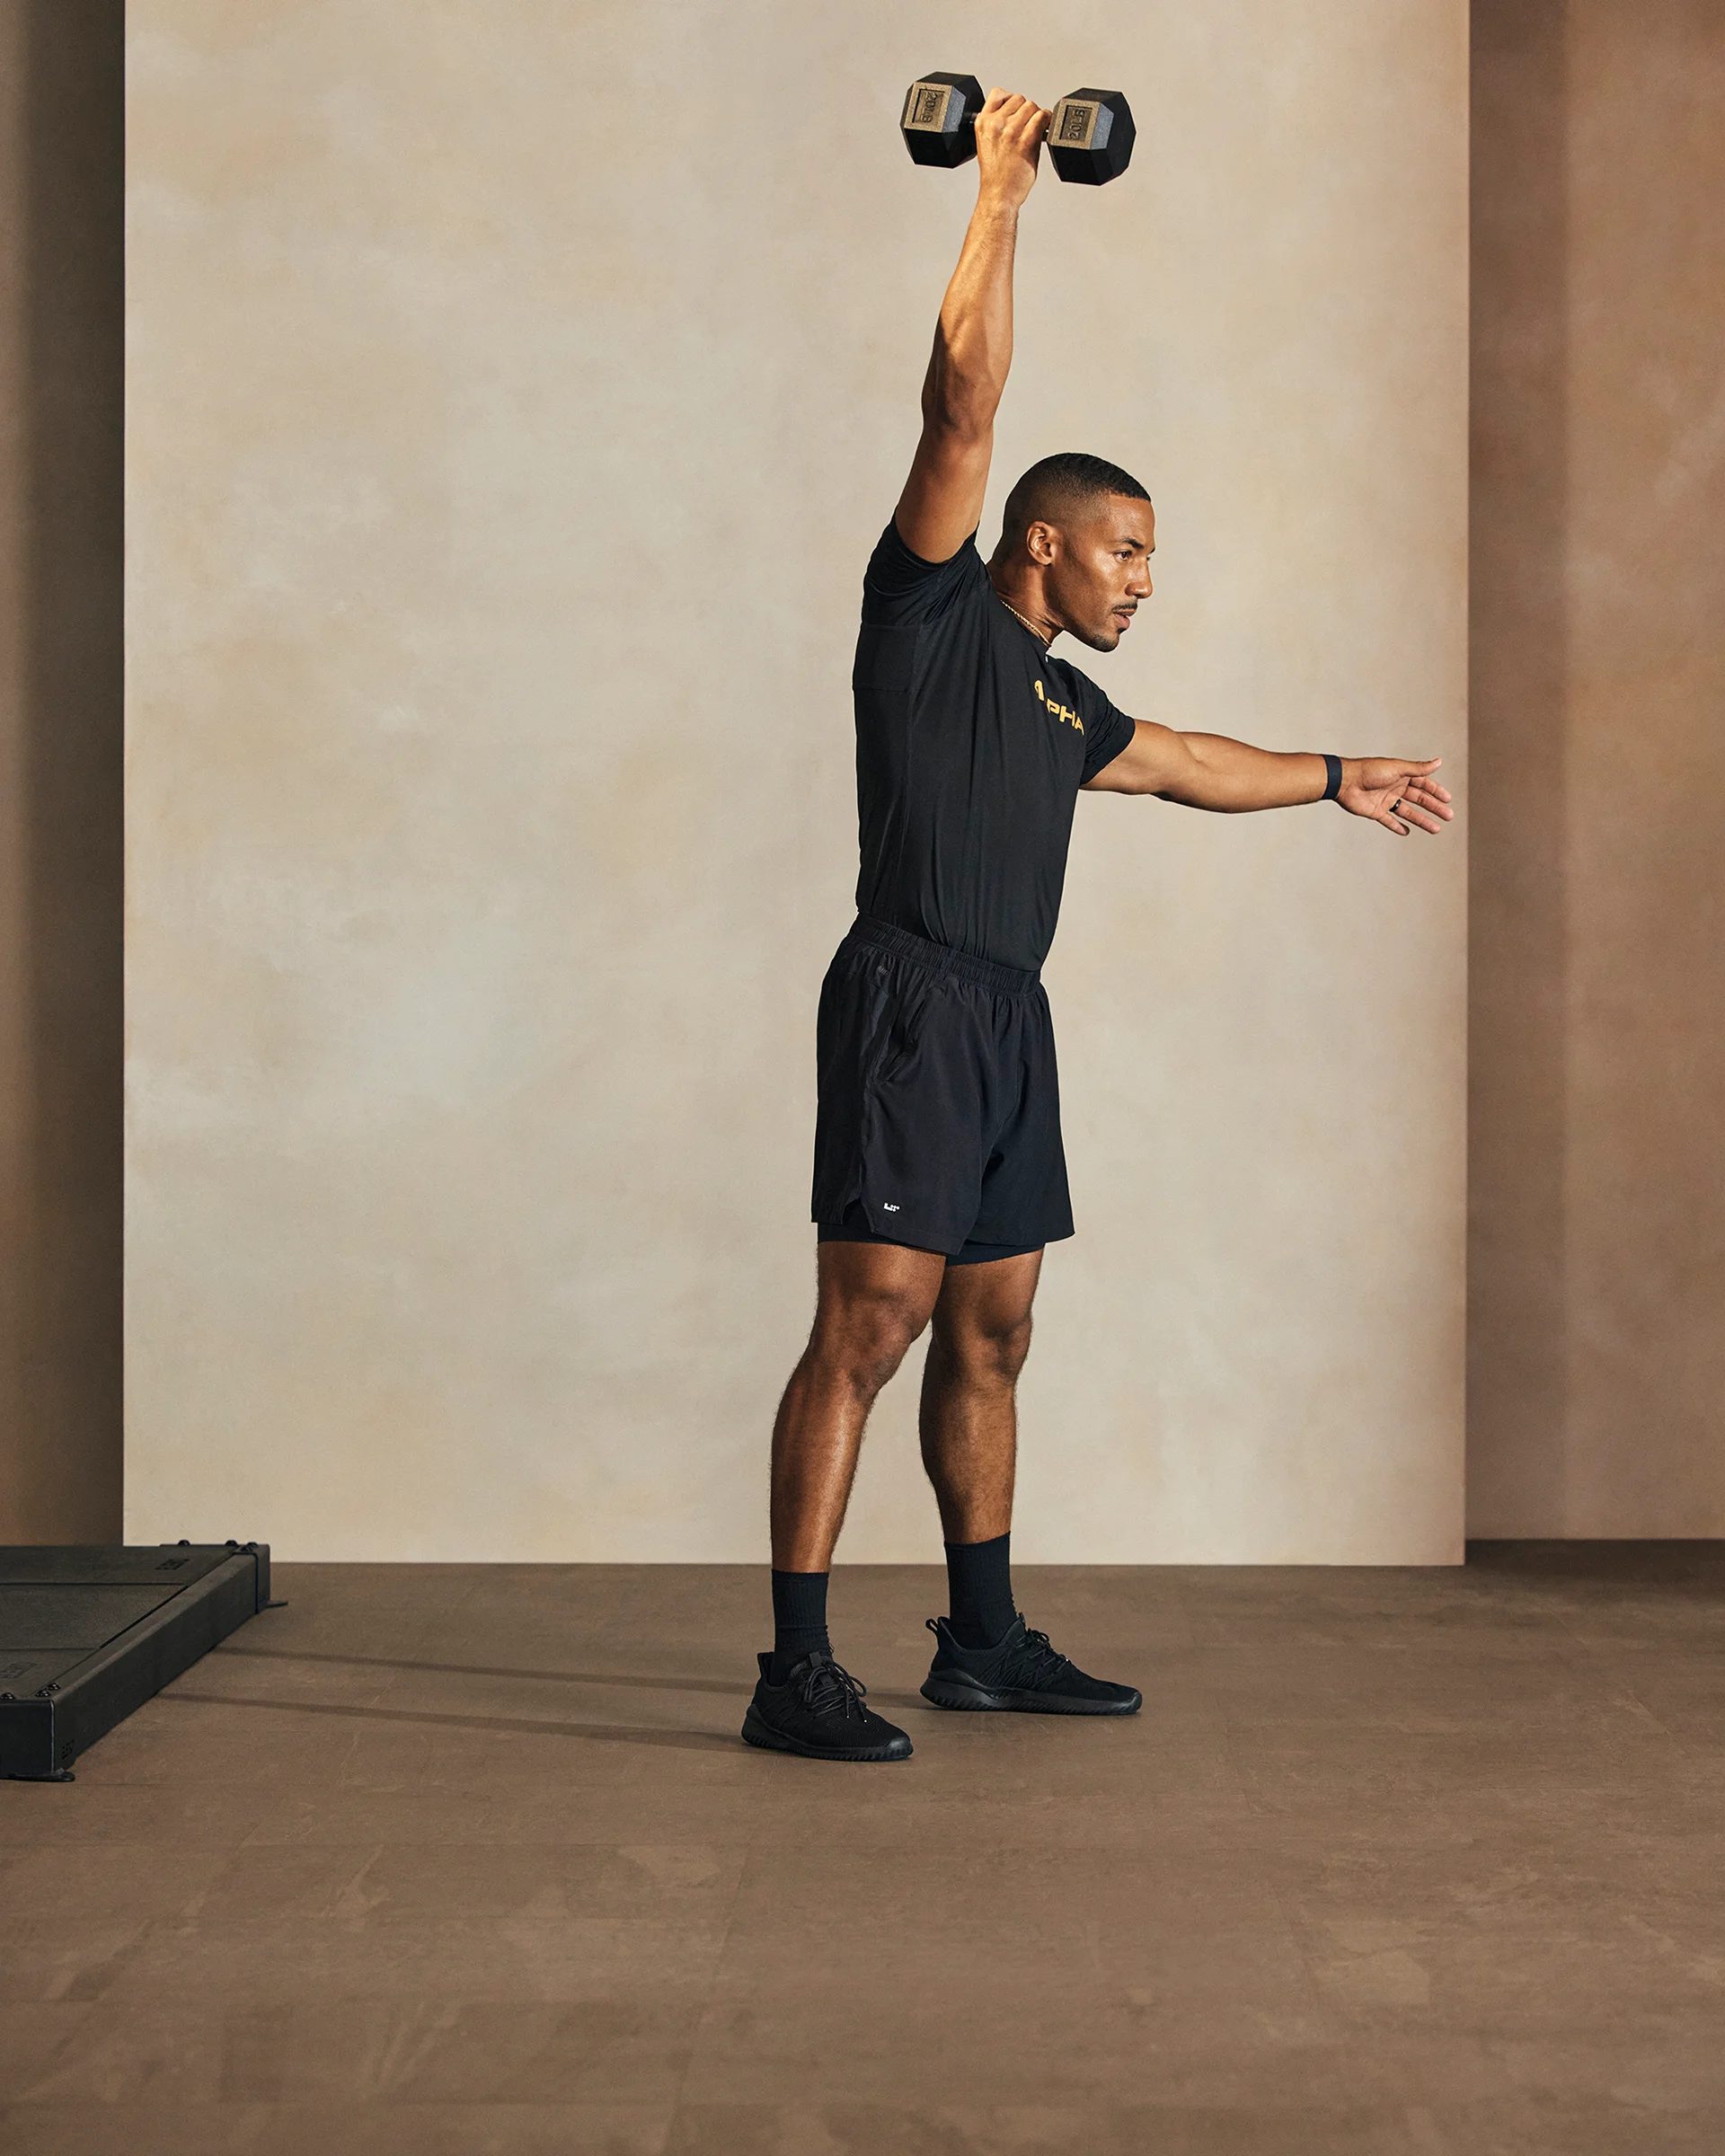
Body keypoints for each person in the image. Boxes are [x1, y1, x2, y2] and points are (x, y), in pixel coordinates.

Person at [742, 89, 1455, 1763]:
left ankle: (979, 1642)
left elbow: (1197, 760)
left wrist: (1343, 774)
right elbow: (965, 399)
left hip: (1010, 1020)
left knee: (997, 1325)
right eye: (1126, 553)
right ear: (1041, 546)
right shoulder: (924, 619)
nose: (1145, 580)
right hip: (911, 999)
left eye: (1152, 559)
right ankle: (790, 1670)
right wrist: (1003, 189)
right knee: (872, 1320)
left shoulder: (1067, 711)